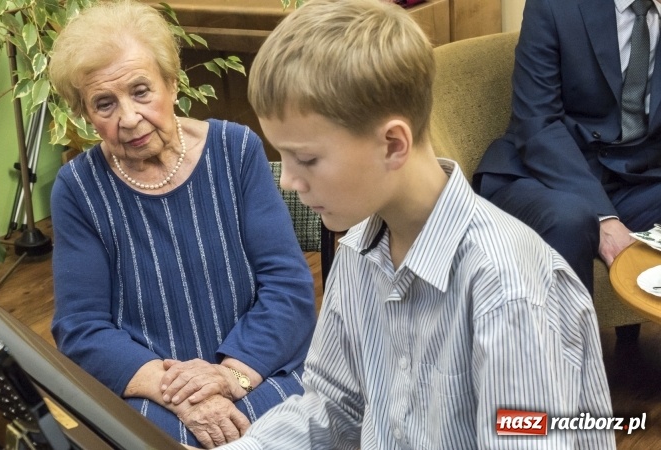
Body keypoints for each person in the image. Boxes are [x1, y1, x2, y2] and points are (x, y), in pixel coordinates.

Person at [215, 0, 616, 448]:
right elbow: (332, 406)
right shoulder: (356, 255)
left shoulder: (507, 287)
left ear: (392, 144)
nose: (288, 181)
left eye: (306, 158)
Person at [46, 1, 316, 448]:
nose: (128, 118)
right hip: (153, 390)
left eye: (141, 91)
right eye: (104, 104)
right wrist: (178, 391)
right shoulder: (78, 188)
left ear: (171, 84)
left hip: (259, 366)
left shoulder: (236, 150)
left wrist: (228, 377)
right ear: (85, 115)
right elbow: (81, 326)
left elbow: (286, 286)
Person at [473, 0, 661, 300]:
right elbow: (536, 123)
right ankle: (567, 347)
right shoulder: (554, 6)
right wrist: (603, 216)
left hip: (634, 176)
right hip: (543, 174)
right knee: (570, 220)